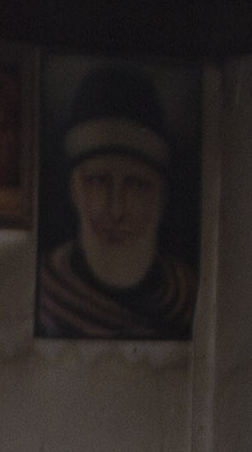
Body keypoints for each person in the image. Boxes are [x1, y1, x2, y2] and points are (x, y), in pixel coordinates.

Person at [34, 62, 199, 339]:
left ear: (161, 197)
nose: (116, 209)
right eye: (98, 181)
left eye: (136, 185)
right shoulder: (47, 289)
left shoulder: (186, 297)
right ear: (74, 190)